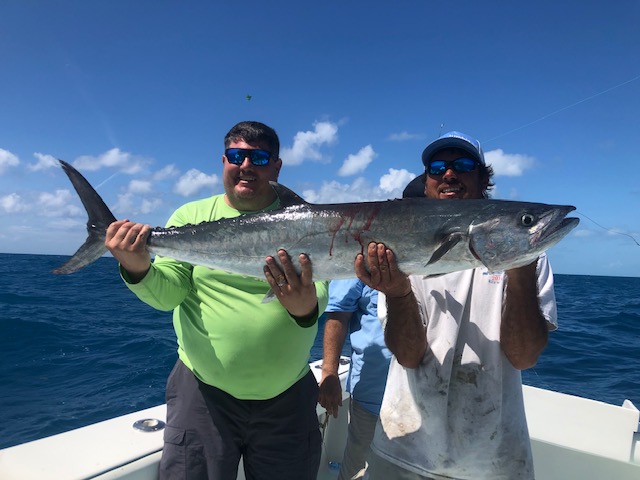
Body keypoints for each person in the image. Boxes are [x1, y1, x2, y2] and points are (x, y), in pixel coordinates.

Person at [105, 121, 328, 480]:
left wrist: (301, 307)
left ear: (276, 166)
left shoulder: (312, 223)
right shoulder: (190, 217)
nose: (246, 165)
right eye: (237, 156)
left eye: (258, 157)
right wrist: (138, 269)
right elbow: (169, 294)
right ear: (224, 160)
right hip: (204, 394)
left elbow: (314, 301)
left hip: (288, 399)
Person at [356, 131, 557, 480]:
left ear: (483, 179)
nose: (449, 174)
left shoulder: (531, 257)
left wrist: (519, 267)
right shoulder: (401, 250)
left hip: (494, 462)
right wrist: (398, 292)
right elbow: (408, 356)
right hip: (404, 449)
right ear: (428, 181)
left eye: (463, 165)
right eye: (437, 167)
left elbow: (524, 357)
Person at [318, 279, 392, 480]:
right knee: (358, 469)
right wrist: (329, 371)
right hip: (372, 391)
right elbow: (339, 314)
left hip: (428, 394)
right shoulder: (359, 255)